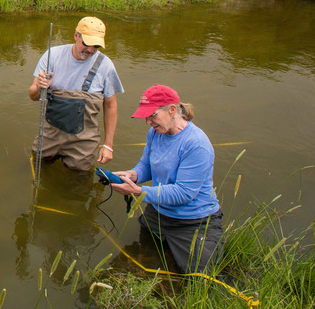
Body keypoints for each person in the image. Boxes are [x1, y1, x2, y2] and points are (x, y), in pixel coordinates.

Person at [111, 84, 225, 274]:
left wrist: (138, 191)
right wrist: (132, 175)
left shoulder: (196, 144)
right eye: (146, 116)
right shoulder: (156, 133)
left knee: (198, 276)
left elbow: (184, 193)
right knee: (145, 260)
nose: (148, 122)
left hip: (193, 221)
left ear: (172, 110)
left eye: (152, 115)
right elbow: (147, 166)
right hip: (158, 213)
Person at [28, 16, 123, 171]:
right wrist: (39, 86)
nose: (91, 49)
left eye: (96, 45)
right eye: (86, 43)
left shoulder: (106, 66)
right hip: (50, 133)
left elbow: (111, 106)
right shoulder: (53, 55)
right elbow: (32, 95)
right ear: (75, 35)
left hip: (84, 140)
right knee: (39, 163)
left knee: (78, 179)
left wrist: (108, 145)